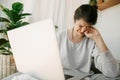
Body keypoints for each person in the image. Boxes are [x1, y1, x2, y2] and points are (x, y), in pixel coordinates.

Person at [57, 4, 120, 79]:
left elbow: (113, 72)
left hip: (84, 77)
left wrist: (98, 38)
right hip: (63, 75)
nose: (83, 30)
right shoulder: (60, 36)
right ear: (74, 20)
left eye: (88, 26)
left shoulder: (92, 40)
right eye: (80, 26)